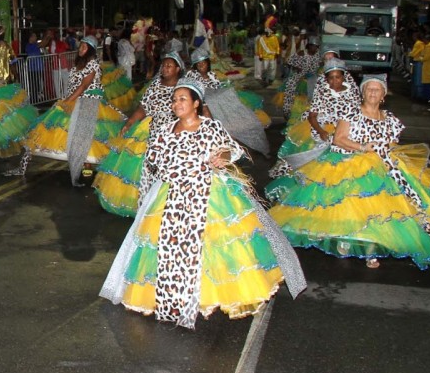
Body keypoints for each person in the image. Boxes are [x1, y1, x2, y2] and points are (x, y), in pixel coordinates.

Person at [99, 78, 305, 329]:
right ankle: (174, 297)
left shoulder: (210, 127)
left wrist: (223, 156)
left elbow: (231, 150)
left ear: (196, 103)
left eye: (183, 99)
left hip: (207, 194)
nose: (176, 104)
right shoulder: (166, 131)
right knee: (169, 245)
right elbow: (153, 162)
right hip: (173, 196)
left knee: (209, 247)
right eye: (174, 100)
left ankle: (205, 297)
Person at [267, 75, 430, 280]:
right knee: (347, 204)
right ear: (363, 93)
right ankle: (347, 238)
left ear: (383, 96)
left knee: (384, 211)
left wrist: (385, 152)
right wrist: (363, 147)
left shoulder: (390, 118)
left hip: (382, 164)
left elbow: (393, 142)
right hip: (349, 162)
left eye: (377, 90)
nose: (373, 93)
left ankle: (371, 248)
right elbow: (338, 139)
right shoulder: (351, 113)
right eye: (369, 89)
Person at [16, 36, 126, 185]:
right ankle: (81, 161)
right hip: (75, 100)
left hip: (89, 101)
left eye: (84, 47)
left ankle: (87, 164)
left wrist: (68, 101)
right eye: (80, 46)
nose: (80, 49)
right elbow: (74, 85)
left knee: (89, 132)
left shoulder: (93, 63)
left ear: (91, 50)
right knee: (72, 131)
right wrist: (68, 99)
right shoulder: (78, 64)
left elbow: (84, 86)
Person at [93, 51, 184, 216]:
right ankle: (147, 208)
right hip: (151, 132)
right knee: (147, 172)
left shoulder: (184, 88)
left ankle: (168, 209)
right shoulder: (155, 85)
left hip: (175, 135)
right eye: (163, 65)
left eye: (169, 66)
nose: (165, 68)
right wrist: (129, 122)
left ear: (178, 69)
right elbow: (144, 108)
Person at [267, 57, 360, 184]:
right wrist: (321, 131)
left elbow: (358, 114)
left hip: (346, 130)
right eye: (331, 78)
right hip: (324, 127)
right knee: (314, 160)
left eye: (337, 77)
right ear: (326, 79)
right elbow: (312, 116)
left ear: (343, 77)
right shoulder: (322, 92)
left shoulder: (352, 92)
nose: (334, 81)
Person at [185, 47, 270, 156]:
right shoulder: (192, 76)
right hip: (205, 107)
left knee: (242, 117)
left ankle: (241, 147)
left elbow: (219, 89)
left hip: (219, 105)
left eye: (204, 63)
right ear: (195, 66)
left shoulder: (212, 75)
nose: (201, 66)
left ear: (208, 64)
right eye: (198, 64)